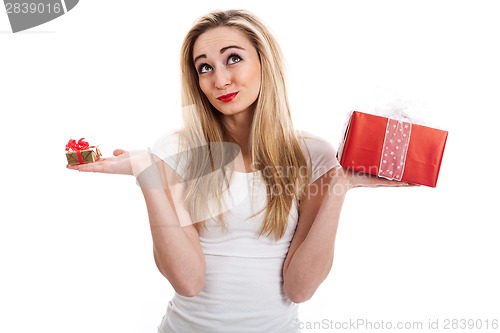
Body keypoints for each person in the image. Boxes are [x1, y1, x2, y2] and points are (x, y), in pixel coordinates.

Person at [67, 9, 409, 333]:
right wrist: (148, 174)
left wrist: (340, 185)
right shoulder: (178, 151)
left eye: (233, 59)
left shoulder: (312, 154)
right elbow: (188, 281)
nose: (220, 80)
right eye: (205, 68)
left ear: (264, 62)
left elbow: (300, 288)